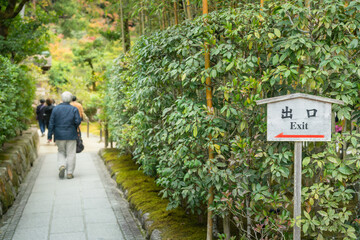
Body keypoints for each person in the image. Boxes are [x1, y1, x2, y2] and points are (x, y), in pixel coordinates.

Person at [48, 92, 81, 179]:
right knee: (71, 153)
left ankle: (62, 165)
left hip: (59, 134)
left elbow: (51, 123)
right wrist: (73, 125)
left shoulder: (55, 109)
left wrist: (49, 136)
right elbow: (78, 121)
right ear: (70, 99)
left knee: (61, 151)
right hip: (71, 134)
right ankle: (69, 173)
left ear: (62, 99)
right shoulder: (74, 109)